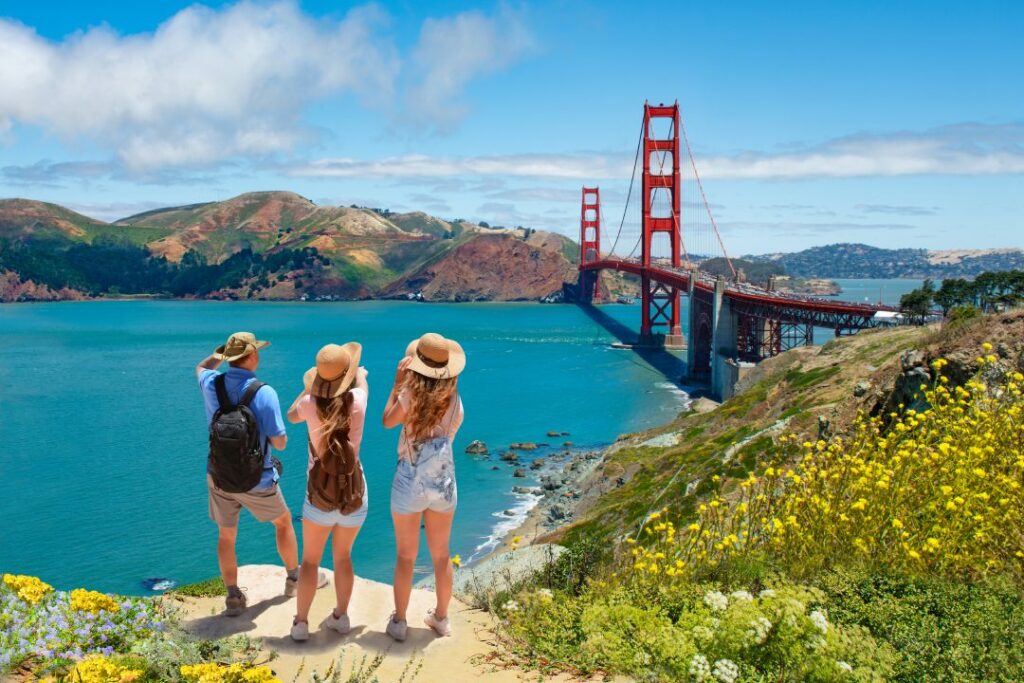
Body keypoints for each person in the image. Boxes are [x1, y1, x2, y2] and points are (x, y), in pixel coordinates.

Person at [196, 331, 305, 616]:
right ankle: (294, 578)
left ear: (229, 357)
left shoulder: (211, 383)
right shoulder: (263, 391)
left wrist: (219, 354)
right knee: (283, 522)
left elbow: (201, 367)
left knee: (226, 536)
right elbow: (279, 441)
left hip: (219, 475)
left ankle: (232, 596)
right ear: (254, 355)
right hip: (257, 478)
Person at [382, 332, 466, 640]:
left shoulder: (409, 395)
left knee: (406, 555)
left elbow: (388, 421)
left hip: (409, 481)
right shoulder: (455, 399)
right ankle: (441, 618)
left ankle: (400, 622)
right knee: (441, 554)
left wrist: (397, 384)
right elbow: (452, 431)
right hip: (443, 481)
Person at [285, 342, 369, 642]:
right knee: (343, 557)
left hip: (318, 495)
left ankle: (300, 623)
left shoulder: (309, 404)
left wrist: (309, 387)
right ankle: (340, 617)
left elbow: (291, 415)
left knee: (309, 561)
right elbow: (362, 381)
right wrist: (357, 374)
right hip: (353, 494)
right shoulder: (359, 399)